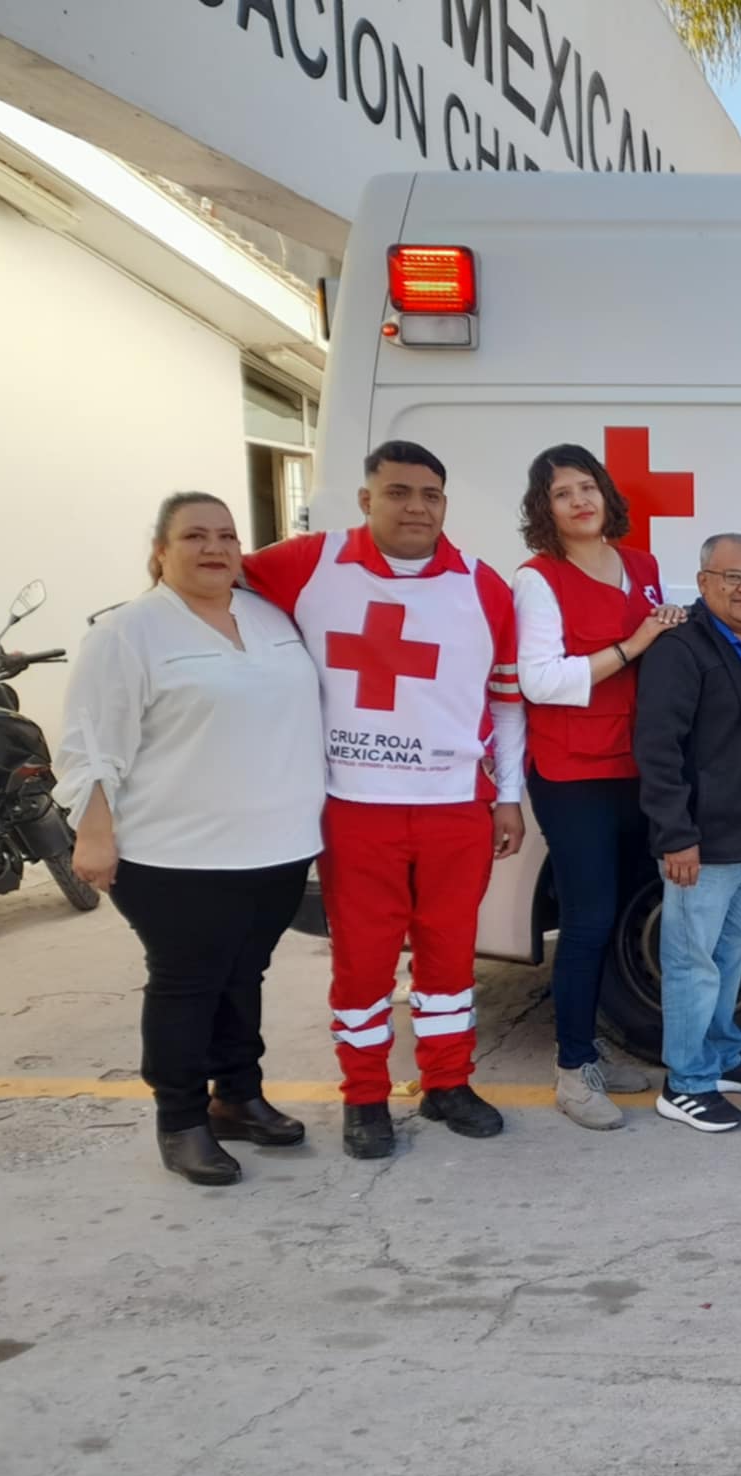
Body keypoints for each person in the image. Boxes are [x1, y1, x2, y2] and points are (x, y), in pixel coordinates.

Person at [243, 441, 526, 1161]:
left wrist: (509, 796)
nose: (416, 507)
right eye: (398, 492)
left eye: (430, 494)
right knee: (363, 963)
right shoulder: (308, 564)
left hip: (455, 804)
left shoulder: (481, 584)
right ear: (366, 499)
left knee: (449, 956)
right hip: (354, 803)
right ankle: (364, 1097)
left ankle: (447, 1084)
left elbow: (507, 701)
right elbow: (214, 584)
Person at [55, 493, 325, 1186]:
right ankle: (181, 1121)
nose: (214, 548)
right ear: (161, 552)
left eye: (227, 536)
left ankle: (237, 1096)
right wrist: (94, 834)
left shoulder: (270, 619)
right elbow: (90, 744)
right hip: (174, 852)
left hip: (276, 845)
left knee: (244, 975)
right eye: (195, 536)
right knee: (186, 984)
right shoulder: (130, 633)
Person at [511, 443, 684, 1129]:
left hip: (635, 767)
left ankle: (593, 1054)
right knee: (584, 922)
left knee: (621, 914)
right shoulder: (537, 579)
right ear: (544, 509)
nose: (580, 501)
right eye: (563, 493)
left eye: (588, 487)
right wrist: (636, 644)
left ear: (607, 495)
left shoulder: (641, 566)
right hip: (572, 772)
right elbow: (542, 680)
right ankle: (571, 1071)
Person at [634, 532, 741, 1132]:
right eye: (733, 577)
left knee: (730, 956)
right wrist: (675, 834)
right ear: (703, 584)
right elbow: (658, 748)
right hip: (701, 838)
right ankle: (686, 1082)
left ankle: (720, 1057)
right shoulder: (682, 648)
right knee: (692, 961)